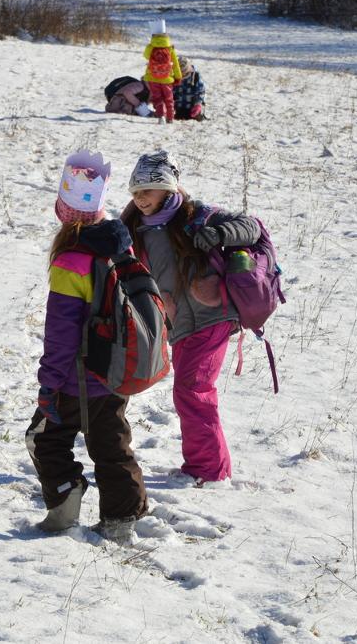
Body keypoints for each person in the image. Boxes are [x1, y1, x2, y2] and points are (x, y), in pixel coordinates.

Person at [26, 150, 148, 540]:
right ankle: (121, 520)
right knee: (111, 444)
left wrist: (49, 384)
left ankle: (64, 505)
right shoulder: (119, 246)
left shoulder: (71, 262)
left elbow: (61, 334)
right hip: (116, 370)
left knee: (44, 438)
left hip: (77, 378)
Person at [120, 150, 260, 485]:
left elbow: (251, 227)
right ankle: (205, 466)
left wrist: (219, 234)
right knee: (188, 390)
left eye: (147, 190)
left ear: (167, 188)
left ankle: (209, 471)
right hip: (179, 323)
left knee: (193, 389)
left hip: (213, 316)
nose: (140, 198)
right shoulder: (134, 226)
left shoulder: (197, 214)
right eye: (135, 191)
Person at [141, 19, 181, 123]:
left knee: (157, 98)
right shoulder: (170, 48)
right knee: (169, 98)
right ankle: (170, 118)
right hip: (167, 78)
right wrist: (178, 77)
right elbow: (175, 64)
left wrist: (150, 45)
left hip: (153, 77)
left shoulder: (151, 47)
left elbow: (145, 56)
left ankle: (161, 116)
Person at [171, 55, 207, 121]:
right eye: (180, 73)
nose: (182, 75)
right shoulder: (174, 77)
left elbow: (201, 91)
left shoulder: (195, 77)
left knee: (197, 116)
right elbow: (170, 91)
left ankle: (198, 113)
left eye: (184, 73)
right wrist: (170, 103)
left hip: (192, 108)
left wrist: (198, 104)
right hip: (177, 108)